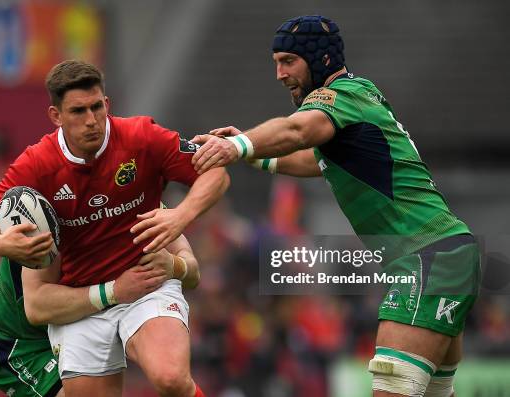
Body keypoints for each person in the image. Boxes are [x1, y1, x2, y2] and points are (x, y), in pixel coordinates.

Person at [192, 15, 479, 397]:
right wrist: (249, 153)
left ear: (320, 59)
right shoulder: (359, 97)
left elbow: (297, 131)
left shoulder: (337, 96)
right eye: (276, 62)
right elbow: (316, 159)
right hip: (444, 252)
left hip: (425, 257)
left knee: (393, 390)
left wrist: (238, 144)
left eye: (288, 61)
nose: (278, 73)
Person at [0, 60, 229, 397]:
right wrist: (2, 243)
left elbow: (216, 172)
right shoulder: (38, 169)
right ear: (56, 116)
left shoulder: (142, 140)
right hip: (59, 315)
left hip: (139, 288)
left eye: (97, 108)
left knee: (170, 378)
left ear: (107, 104)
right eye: (78, 111)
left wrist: (181, 216)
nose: (92, 121)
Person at [0, 234, 201, 397]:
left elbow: (191, 269)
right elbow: (37, 309)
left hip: (81, 311)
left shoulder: (128, 190)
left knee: (171, 378)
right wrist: (114, 292)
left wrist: (177, 265)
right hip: (18, 341)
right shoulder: (48, 214)